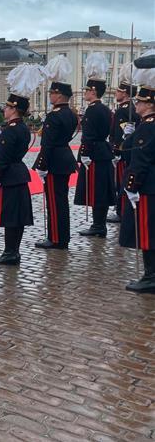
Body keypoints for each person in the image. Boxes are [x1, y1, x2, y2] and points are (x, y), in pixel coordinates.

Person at [0, 64, 45, 265]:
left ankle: (10, 252)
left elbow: (2, 158)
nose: (4, 109)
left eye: (7, 106)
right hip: (18, 174)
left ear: (14, 109)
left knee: (10, 217)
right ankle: (13, 251)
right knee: (16, 217)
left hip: (9, 176)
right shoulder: (20, 128)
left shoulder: (11, 130)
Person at [32, 55, 78, 250]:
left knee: (54, 201)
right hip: (65, 158)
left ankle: (56, 238)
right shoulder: (71, 114)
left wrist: (41, 164)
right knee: (61, 200)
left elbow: (48, 144)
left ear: (59, 95)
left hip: (54, 161)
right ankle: (61, 236)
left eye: (52, 93)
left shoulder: (54, 115)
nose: (50, 96)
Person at [119, 59, 155, 293]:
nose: (137, 105)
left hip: (147, 186)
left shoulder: (148, 125)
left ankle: (150, 276)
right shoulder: (146, 124)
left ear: (150, 104)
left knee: (147, 231)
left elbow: (141, 159)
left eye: (141, 102)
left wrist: (131, 186)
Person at [74, 53, 115, 238]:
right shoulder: (106, 109)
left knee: (97, 191)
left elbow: (88, 136)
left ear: (94, 91)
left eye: (87, 90)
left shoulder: (92, 110)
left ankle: (98, 225)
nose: (85, 93)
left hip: (94, 154)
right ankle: (99, 224)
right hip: (103, 151)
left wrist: (84, 154)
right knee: (101, 190)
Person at [107, 65, 139, 224]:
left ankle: (121, 211)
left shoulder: (123, 111)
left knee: (121, 182)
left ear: (125, 93)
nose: (116, 93)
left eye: (118, 91)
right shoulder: (131, 108)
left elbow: (120, 135)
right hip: (129, 152)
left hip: (122, 153)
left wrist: (116, 151)